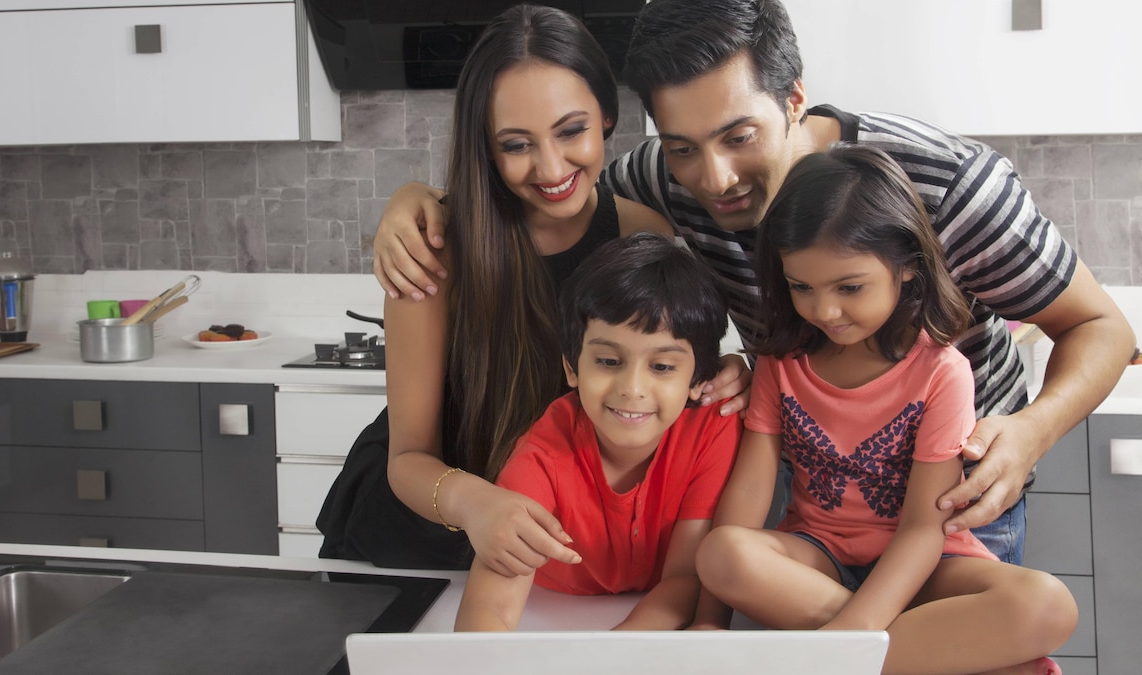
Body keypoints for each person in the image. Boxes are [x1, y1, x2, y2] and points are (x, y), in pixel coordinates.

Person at [369, 0, 1136, 564]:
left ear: (795, 96)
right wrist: (420, 203)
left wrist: (1032, 432)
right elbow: (551, 191)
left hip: (951, 499)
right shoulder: (665, 187)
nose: (717, 178)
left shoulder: (946, 186)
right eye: (683, 148)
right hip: (814, 506)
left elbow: (1102, 327)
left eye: (739, 137)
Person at [315, 4, 746, 573]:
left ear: (608, 117)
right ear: (487, 149)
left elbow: (662, 371)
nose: (550, 167)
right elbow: (407, 458)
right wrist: (481, 506)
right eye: (517, 144)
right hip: (426, 525)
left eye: (571, 131)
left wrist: (728, 370)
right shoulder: (433, 247)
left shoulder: (644, 232)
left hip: (556, 536)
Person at [696, 144, 1076, 674]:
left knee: (1048, 604)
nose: (824, 310)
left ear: (906, 269)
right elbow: (751, 491)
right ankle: (926, 656)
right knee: (721, 554)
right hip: (816, 558)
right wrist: (708, 620)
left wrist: (849, 637)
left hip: (928, 567)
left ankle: (837, 659)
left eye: (850, 287)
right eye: (801, 287)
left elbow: (925, 528)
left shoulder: (941, 372)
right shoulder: (779, 362)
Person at [455, 232, 739, 631]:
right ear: (572, 367)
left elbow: (685, 579)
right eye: (608, 360)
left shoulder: (712, 430)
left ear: (698, 379)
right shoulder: (542, 454)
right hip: (552, 612)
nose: (632, 388)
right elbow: (491, 608)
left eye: (662, 367)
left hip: (644, 622)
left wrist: (609, 657)